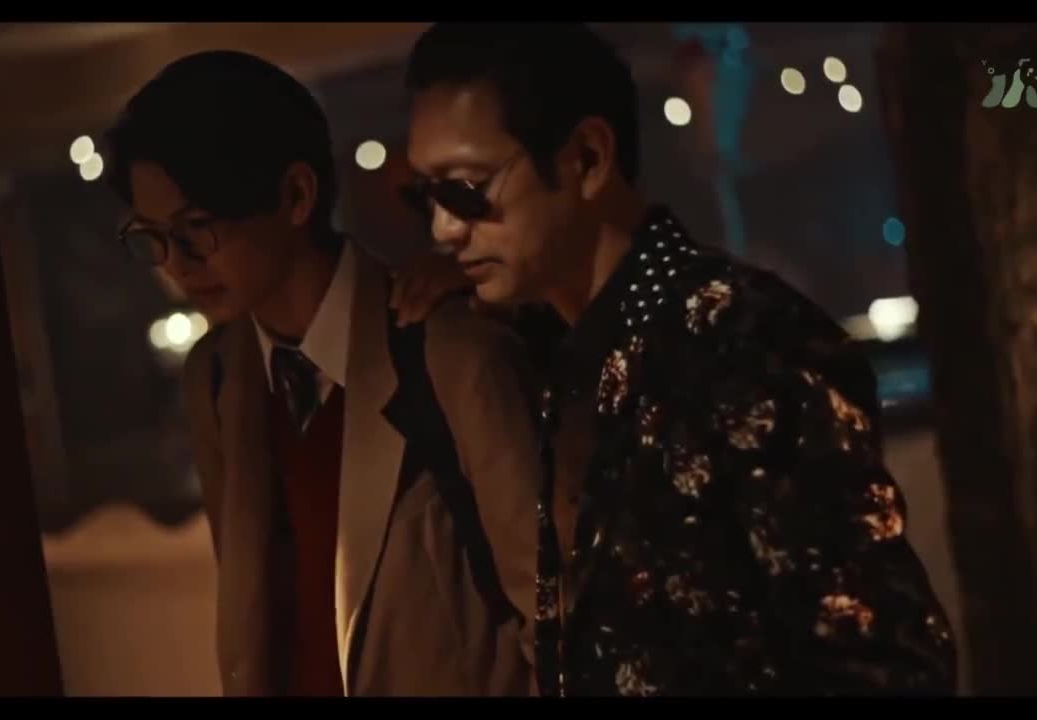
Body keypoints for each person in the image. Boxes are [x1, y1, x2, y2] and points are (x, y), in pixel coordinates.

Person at [402, 22, 957, 696]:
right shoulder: (562, 353)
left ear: (587, 159)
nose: (443, 229)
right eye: (425, 197)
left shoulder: (739, 341)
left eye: (466, 189)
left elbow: (882, 660)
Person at [104, 50, 541, 696]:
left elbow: (552, 616)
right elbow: (255, 611)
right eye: (153, 236)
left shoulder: (444, 350)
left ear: (296, 195)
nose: (177, 263)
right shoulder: (219, 378)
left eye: (197, 227)